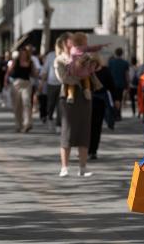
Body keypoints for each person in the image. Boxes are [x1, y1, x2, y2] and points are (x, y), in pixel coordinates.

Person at [54, 32, 95, 178]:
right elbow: (64, 78)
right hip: (68, 98)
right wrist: (80, 75)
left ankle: (82, 167)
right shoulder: (60, 59)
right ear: (66, 43)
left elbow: (92, 71)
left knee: (84, 130)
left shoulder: (84, 56)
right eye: (73, 41)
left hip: (85, 96)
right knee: (68, 131)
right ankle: (64, 167)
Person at [4, 47, 38, 133]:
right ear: (19, 54)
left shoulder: (31, 62)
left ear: (27, 54)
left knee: (27, 103)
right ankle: (18, 125)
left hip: (26, 84)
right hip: (16, 84)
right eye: (22, 54)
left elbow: (34, 74)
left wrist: (38, 74)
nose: (23, 55)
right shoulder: (15, 62)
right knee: (17, 106)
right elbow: (8, 72)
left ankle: (27, 124)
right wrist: (5, 82)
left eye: (25, 53)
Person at [64, 32, 103, 104]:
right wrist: (100, 46)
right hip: (84, 71)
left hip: (73, 71)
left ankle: (70, 96)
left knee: (71, 84)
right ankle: (87, 90)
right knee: (86, 79)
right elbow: (92, 49)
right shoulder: (84, 49)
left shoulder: (72, 49)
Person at [89, 54, 115, 160]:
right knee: (87, 127)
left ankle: (93, 150)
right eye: (91, 63)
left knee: (96, 127)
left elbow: (111, 85)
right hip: (88, 101)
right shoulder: (87, 72)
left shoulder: (105, 71)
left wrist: (116, 99)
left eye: (94, 63)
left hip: (100, 101)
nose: (93, 65)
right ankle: (86, 149)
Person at [40, 35, 68, 133]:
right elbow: (45, 70)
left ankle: (59, 124)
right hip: (51, 84)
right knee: (51, 104)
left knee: (61, 105)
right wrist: (41, 84)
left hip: (62, 84)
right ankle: (50, 118)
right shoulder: (50, 55)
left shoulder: (66, 55)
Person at [108, 47, 129, 121]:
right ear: (122, 53)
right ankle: (118, 114)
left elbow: (109, 73)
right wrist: (127, 84)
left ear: (115, 53)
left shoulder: (111, 62)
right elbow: (126, 75)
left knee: (113, 99)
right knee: (119, 99)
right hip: (121, 83)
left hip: (112, 83)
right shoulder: (125, 63)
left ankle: (114, 113)